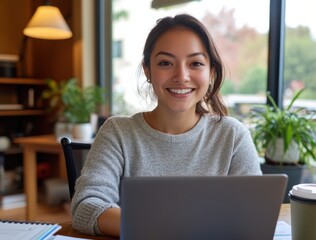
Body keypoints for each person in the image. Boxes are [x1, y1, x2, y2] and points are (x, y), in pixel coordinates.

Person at [71, 13, 262, 237]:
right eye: (165, 63)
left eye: (195, 63)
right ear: (148, 71)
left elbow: (253, 215)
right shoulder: (118, 133)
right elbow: (86, 207)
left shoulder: (233, 135)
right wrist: (163, 229)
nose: (181, 76)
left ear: (211, 72)